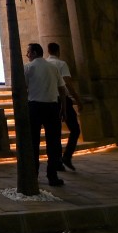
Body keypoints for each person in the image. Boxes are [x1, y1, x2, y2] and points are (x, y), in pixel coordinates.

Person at [24, 43, 66, 187]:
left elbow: (23, 89)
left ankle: (33, 174)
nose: (27, 54)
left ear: (34, 53)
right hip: (52, 107)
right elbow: (62, 89)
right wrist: (63, 108)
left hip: (34, 107)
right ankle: (52, 175)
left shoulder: (28, 67)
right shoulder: (53, 67)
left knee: (33, 142)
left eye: (28, 52)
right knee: (53, 143)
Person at [47, 42, 83, 171]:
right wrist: (77, 99)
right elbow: (67, 83)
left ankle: (56, 162)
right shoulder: (61, 64)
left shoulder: (46, 64)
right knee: (75, 129)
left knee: (54, 133)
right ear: (58, 51)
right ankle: (66, 156)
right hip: (62, 100)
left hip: (49, 100)